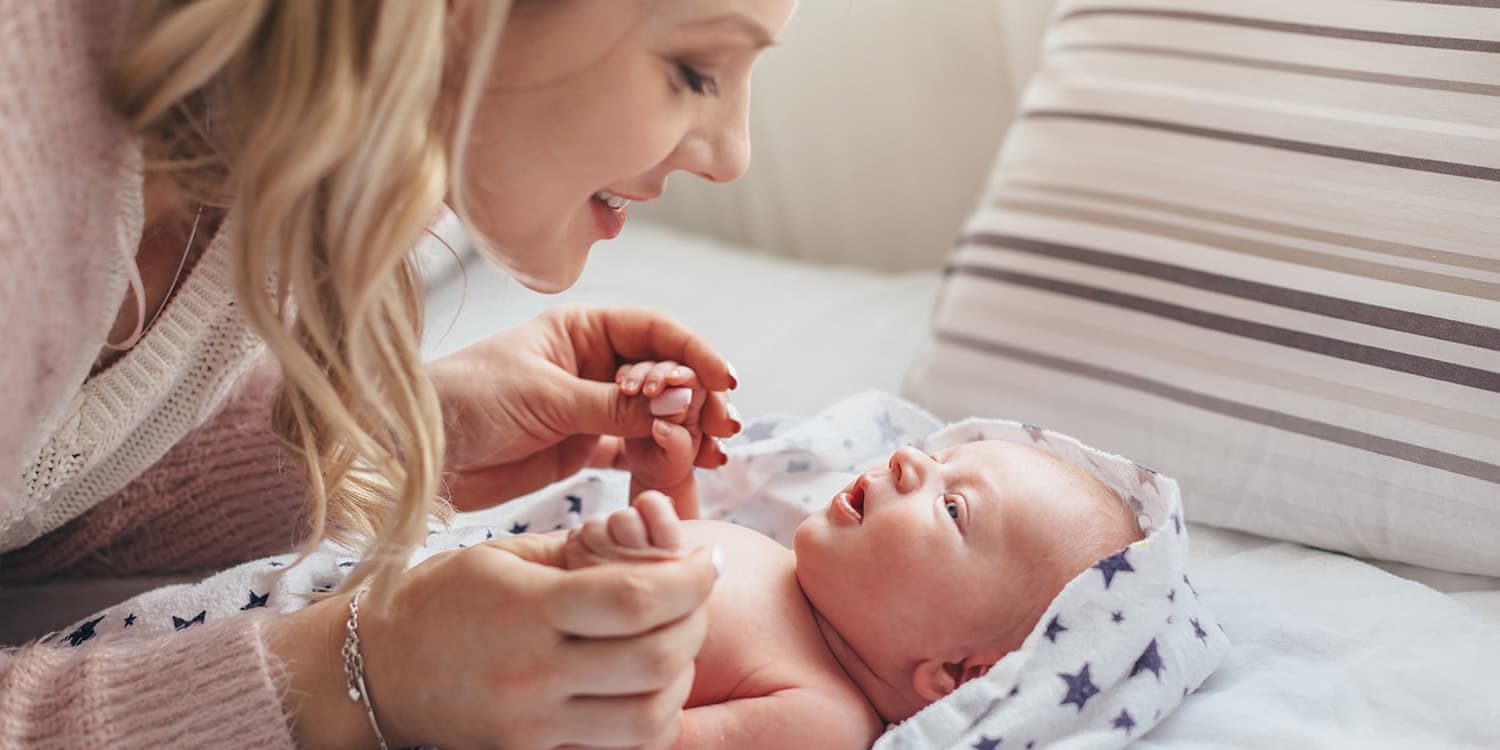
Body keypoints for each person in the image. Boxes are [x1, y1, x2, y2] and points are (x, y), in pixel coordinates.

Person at [0, 1, 797, 747]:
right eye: (696, 69)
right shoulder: (23, 163)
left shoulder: (293, 147)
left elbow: (38, 487)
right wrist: (349, 677)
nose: (734, 156)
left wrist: (390, 430)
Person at [560, 368, 1145, 747]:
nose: (906, 462)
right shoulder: (780, 566)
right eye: (935, 458)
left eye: (953, 507)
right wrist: (660, 481)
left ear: (956, 675)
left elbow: (643, 737)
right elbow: (679, 551)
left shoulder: (824, 718)